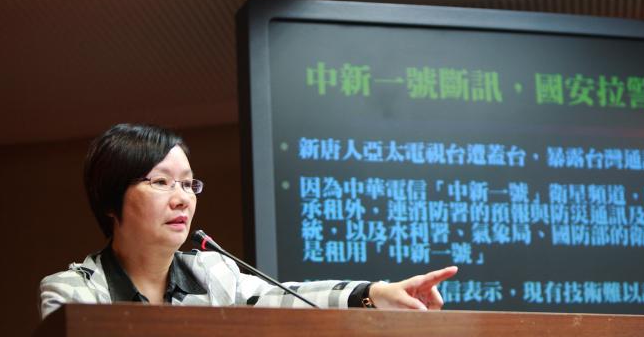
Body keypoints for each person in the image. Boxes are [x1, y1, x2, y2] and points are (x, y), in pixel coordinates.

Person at [39, 124, 459, 318]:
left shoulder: (214, 274)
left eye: (187, 183)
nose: (181, 198)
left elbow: (291, 298)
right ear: (111, 201)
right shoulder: (74, 292)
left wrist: (375, 294)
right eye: (161, 182)